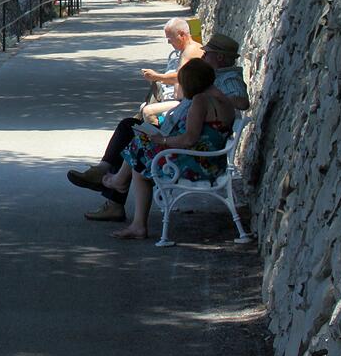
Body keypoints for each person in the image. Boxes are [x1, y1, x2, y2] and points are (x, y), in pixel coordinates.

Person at [66, 30, 247, 222]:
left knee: (135, 139)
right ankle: (105, 177)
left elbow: (242, 102)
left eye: (207, 53)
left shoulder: (228, 79)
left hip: (188, 145)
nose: (203, 55)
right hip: (178, 129)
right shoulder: (211, 77)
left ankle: (113, 193)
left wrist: (214, 95)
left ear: (219, 57)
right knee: (129, 127)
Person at [104, 59, 236, 239]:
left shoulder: (201, 100)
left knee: (140, 159)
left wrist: (163, 140)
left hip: (199, 164)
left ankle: (135, 219)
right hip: (211, 160)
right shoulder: (223, 98)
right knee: (141, 146)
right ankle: (121, 187)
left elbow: (189, 139)